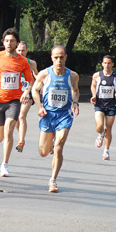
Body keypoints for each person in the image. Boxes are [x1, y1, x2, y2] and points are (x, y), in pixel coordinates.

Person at [0, 28, 33, 177]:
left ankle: (4, 164)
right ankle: (5, 145)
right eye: (6, 40)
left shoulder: (22, 61)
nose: (9, 43)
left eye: (12, 40)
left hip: (14, 100)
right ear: (3, 42)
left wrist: (26, 91)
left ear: (16, 43)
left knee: (9, 129)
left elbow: (30, 80)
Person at [32, 45, 80, 193]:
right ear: (52, 58)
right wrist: (39, 106)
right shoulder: (44, 74)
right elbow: (34, 90)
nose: (59, 60)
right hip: (48, 115)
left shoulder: (72, 76)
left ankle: (53, 180)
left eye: (61, 57)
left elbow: (75, 90)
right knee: (43, 152)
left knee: (59, 147)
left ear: (65, 57)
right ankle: (50, 143)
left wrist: (75, 102)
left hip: (64, 115)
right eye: (56, 57)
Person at [90, 55, 116, 161]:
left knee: (108, 128)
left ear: (112, 64)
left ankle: (106, 151)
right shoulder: (97, 75)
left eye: (109, 63)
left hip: (111, 105)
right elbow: (93, 86)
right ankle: (100, 134)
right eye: (105, 63)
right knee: (99, 126)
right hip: (99, 104)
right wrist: (94, 95)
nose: (107, 65)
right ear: (102, 64)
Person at [15, 41, 38, 153]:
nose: (21, 53)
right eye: (19, 50)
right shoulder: (12, 62)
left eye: (23, 50)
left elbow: (36, 75)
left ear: (27, 50)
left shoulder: (31, 63)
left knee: (21, 115)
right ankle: (21, 135)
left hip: (28, 92)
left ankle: (21, 141)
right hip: (15, 93)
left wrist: (41, 81)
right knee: (15, 119)